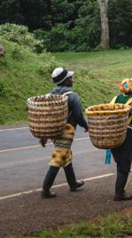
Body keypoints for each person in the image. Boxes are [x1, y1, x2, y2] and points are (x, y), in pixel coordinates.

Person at [40, 67, 88, 199]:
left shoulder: (50, 96)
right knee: (58, 158)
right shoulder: (72, 96)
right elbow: (78, 115)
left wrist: (44, 135)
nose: (72, 79)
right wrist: (86, 125)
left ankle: (73, 183)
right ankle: (45, 189)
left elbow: (45, 117)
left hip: (53, 131)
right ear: (65, 80)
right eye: (70, 77)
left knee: (66, 155)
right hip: (66, 131)